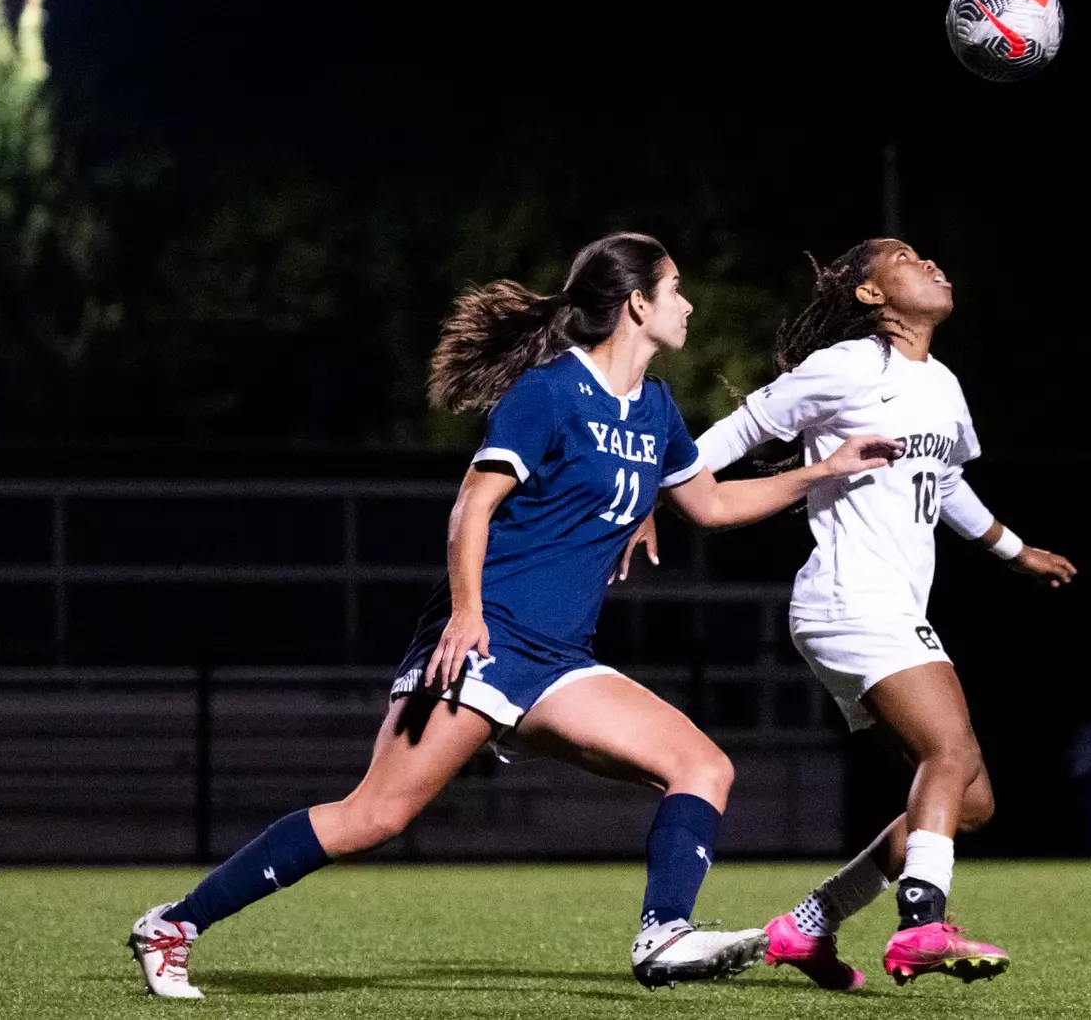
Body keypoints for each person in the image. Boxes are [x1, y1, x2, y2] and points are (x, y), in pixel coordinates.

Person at [126, 232, 903, 999]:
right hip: (486, 640)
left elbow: (712, 503)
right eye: (676, 289)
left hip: (560, 659)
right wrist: (467, 613)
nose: (688, 304)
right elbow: (473, 504)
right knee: (376, 815)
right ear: (638, 304)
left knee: (703, 766)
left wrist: (825, 469)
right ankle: (174, 924)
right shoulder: (549, 392)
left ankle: (663, 933)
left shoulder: (657, 407)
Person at [621, 238, 1076, 988]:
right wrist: (651, 496)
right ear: (870, 295)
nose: (931, 262)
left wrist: (1014, 550)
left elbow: (946, 481)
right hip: (848, 598)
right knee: (951, 751)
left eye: (932, 255)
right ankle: (922, 923)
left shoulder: (944, 385)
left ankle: (808, 925)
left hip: (887, 606)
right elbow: (737, 433)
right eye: (906, 257)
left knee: (970, 803)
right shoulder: (847, 366)